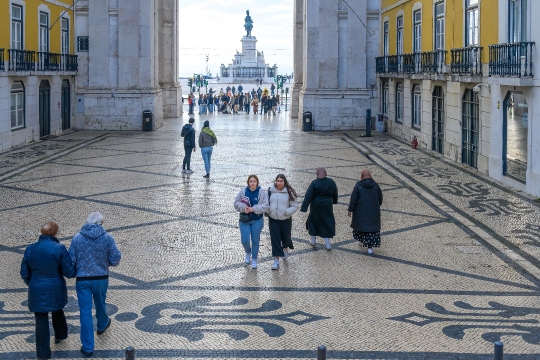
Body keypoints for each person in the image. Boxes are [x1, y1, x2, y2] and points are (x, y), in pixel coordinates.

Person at [20, 222, 76, 360]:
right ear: (54, 233)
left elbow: (24, 271)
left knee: (40, 319)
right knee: (57, 309)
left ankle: (43, 353)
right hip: (55, 286)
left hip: (36, 287)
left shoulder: (30, 248)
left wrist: (32, 283)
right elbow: (68, 272)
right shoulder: (59, 248)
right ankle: (61, 334)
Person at [69, 212, 121, 357]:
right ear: (101, 223)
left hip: (83, 280)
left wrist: (76, 270)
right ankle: (102, 323)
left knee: (85, 312)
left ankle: (87, 347)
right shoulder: (107, 238)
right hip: (101, 278)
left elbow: (70, 260)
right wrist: (107, 263)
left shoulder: (77, 238)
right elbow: (116, 258)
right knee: (100, 303)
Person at [234, 175, 269, 269]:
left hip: (257, 220)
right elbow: (236, 203)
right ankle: (248, 252)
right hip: (245, 220)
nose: (252, 183)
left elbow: (265, 206)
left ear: (257, 182)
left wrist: (253, 209)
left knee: (255, 240)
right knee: (245, 240)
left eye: (254, 181)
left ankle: (254, 259)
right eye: (251, 181)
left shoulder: (262, 192)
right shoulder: (243, 191)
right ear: (248, 182)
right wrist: (243, 208)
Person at [300, 167, 338, 250]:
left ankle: (313, 241)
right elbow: (335, 192)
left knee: (314, 221)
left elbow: (308, 195)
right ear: (325, 173)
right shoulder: (331, 182)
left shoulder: (314, 183)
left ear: (317, 173)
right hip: (327, 204)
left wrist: (304, 207)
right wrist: (334, 201)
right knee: (326, 221)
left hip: (316, 204)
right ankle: (328, 244)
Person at [267, 174, 299, 270]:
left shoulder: (289, 192)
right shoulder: (270, 190)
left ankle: (285, 248)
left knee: (286, 237)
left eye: (281, 181)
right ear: (275, 181)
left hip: (285, 219)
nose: (279, 182)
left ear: (284, 182)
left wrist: (287, 212)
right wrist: (268, 210)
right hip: (273, 219)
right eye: (278, 180)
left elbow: (294, 206)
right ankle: (276, 260)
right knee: (275, 238)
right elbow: (265, 202)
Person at [348, 170, 383, 254]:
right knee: (371, 230)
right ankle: (370, 248)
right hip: (373, 212)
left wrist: (350, 209)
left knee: (361, 226)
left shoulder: (358, 186)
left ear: (362, 176)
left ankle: (360, 241)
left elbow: (353, 199)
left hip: (360, 212)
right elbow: (380, 198)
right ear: (370, 175)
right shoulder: (376, 186)